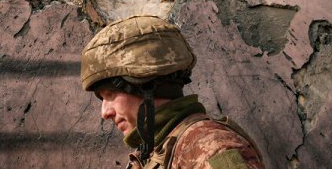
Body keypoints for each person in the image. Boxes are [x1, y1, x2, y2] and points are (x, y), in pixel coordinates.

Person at [80, 15, 264, 169]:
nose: (105, 113)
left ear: (146, 85)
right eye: (102, 99)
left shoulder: (210, 147)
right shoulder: (154, 152)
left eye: (110, 95)